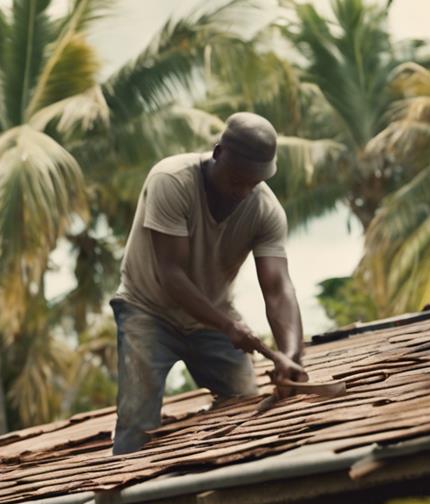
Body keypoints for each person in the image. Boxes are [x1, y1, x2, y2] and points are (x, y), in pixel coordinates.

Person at [110, 111, 308, 456]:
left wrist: (290, 355)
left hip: (212, 317)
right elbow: (172, 275)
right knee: (137, 420)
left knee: (246, 401)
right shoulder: (171, 181)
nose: (242, 192)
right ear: (218, 154)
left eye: (252, 183)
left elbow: (278, 289)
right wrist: (229, 326)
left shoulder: (265, 209)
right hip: (148, 310)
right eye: (235, 180)